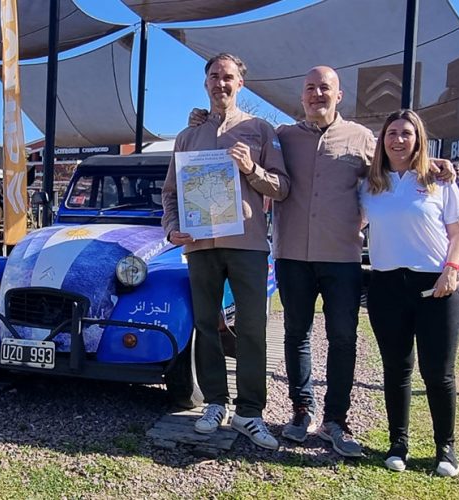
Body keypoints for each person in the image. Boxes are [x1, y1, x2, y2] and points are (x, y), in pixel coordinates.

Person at [187, 67, 458, 457]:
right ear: (301, 96)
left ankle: (335, 419)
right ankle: (302, 410)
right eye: (310, 88)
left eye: (325, 88)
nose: (317, 94)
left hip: (341, 257)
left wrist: (437, 163)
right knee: (296, 335)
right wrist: (201, 118)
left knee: (343, 338)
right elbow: (237, 141)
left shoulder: (362, 139)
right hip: (292, 255)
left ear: (338, 95)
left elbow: (398, 160)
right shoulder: (281, 136)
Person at [162, 53, 289, 448]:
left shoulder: (260, 130)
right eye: (214, 76)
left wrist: (251, 169)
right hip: (200, 247)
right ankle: (215, 403)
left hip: (247, 246)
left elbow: (282, 188)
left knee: (251, 329)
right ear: (206, 84)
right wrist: (171, 228)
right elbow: (170, 193)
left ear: (240, 84)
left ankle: (249, 411)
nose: (221, 83)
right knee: (205, 326)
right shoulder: (188, 137)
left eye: (228, 77)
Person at [360, 109, 459, 477]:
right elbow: (352, 223)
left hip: (437, 287)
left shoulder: (439, 180)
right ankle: (398, 443)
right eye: (392, 133)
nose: (398, 139)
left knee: (438, 373)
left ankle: (445, 448)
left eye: (406, 133)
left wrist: (451, 269)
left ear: (419, 139)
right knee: (396, 369)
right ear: (382, 140)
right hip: (387, 286)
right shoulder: (370, 185)